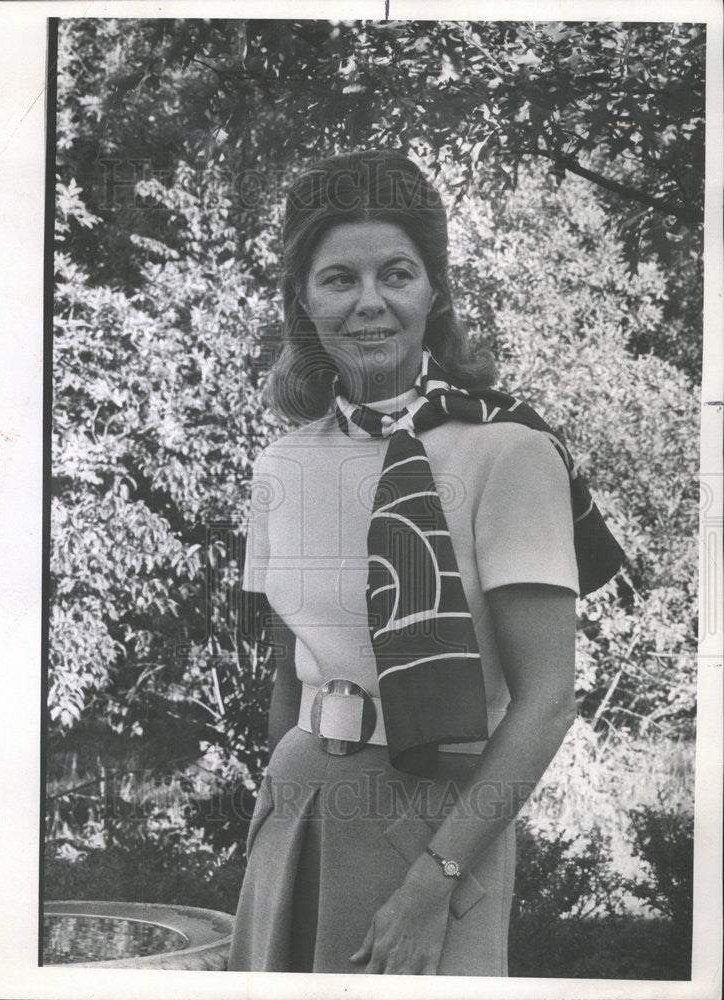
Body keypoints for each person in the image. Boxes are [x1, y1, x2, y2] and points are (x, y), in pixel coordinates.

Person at [227, 149, 623, 976]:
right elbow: (285, 677)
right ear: (304, 302)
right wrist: (276, 812)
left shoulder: (510, 452)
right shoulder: (281, 465)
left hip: (441, 824)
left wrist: (434, 880)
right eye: (338, 279)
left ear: (433, 291)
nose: (369, 302)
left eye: (396, 273)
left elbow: (547, 700)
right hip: (299, 802)